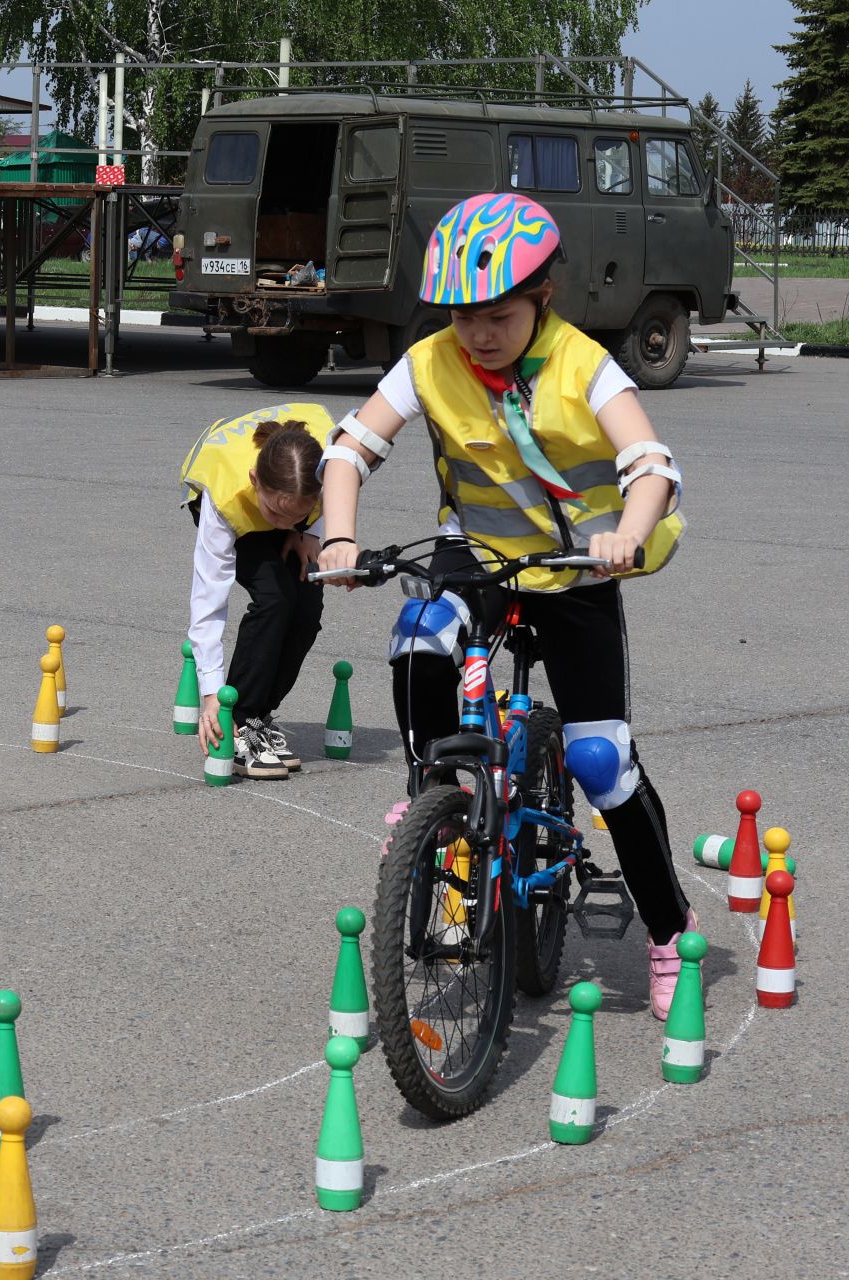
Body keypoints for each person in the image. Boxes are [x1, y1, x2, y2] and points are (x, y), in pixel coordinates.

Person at [314, 192, 693, 1018]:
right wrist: (340, 539)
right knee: (418, 634)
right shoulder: (429, 362)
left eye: (498, 315)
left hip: (574, 569)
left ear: (541, 299)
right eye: (462, 317)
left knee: (602, 763)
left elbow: (652, 464)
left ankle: (670, 931)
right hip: (478, 557)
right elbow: (348, 451)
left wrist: (626, 532)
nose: (478, 334)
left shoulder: (583, 364)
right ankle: (435, 796)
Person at [182, 403, 335, 779]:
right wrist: (212, 695)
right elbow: (208, 602)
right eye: (276, 514)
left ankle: (262, 717)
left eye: (295, 515)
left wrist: (307, 533)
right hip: (238, 520)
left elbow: (341, 491)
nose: (283, 523)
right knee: (274, 599)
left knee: (306, 608)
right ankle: (242, 718)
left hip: (286, 495)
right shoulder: (225, 500)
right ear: (255, 479)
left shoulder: (333, 459)